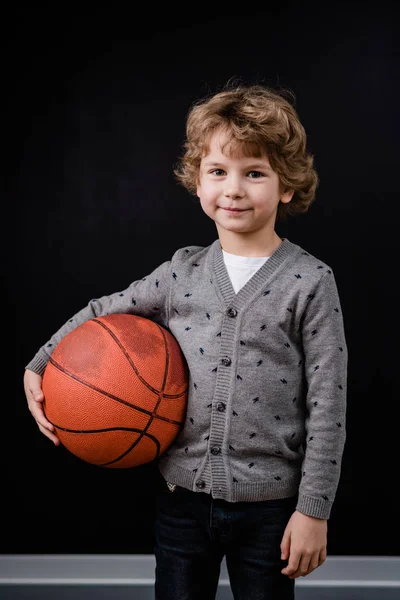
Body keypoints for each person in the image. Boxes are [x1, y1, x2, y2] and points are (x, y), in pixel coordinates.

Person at [23, 82, 348, 600]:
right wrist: (40, 364)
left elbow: (328, 405)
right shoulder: (181, 273)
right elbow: (103, 311)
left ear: (286, 185)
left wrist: (313, 510)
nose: (234, 189)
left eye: (254, 173)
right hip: (182, 501)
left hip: (271, 508)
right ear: (197, 182)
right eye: (218, 172)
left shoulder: (309, 282)